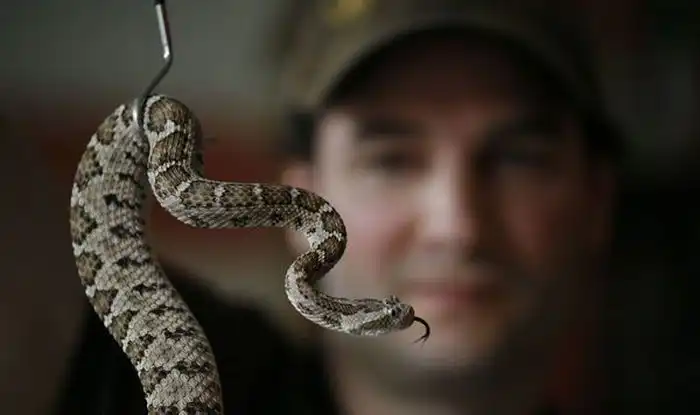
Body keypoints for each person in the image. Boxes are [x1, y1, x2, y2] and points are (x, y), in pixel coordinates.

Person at [56, 1, 624, 414]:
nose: (456, 227)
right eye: (392, 160)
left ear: (598, 201)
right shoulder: (118, 363)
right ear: (302, 189)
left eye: (518, 159)